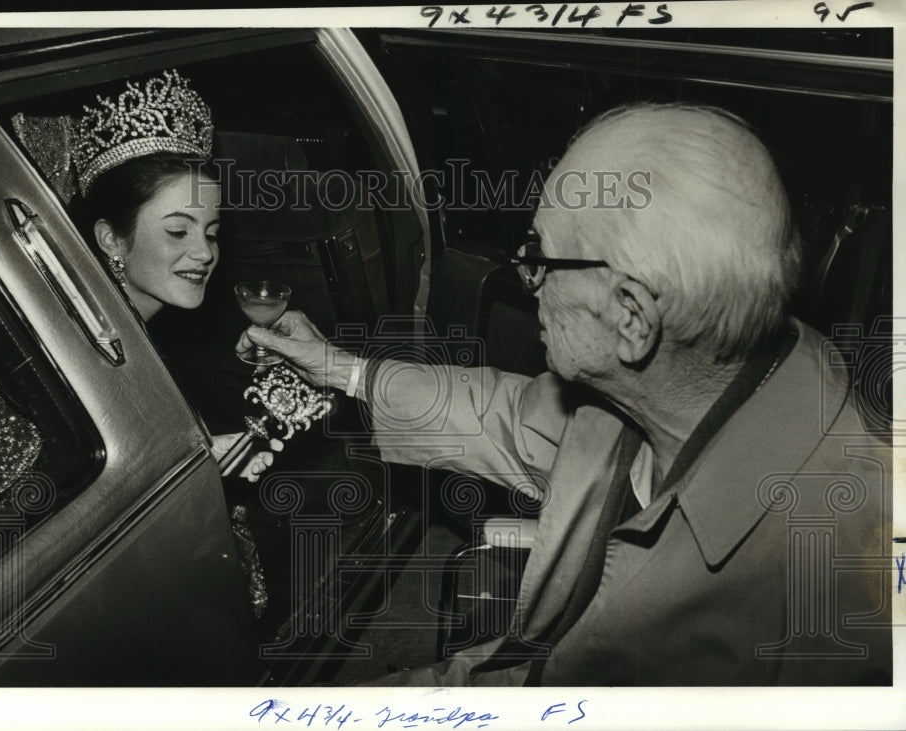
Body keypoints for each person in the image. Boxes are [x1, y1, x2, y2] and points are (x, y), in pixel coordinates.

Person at [238, 103, 892, 685]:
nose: (527, 280)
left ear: (631, 317)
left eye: (541, 258)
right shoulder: (674, 385)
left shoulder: (835, 592)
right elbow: (499, 415)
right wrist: (334, 366)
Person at [70, 69, 277, 484]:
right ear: (112, 238)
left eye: (212, 233)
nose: (204, 253)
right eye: (177, 231)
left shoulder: (148, 337)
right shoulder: (80, 350)